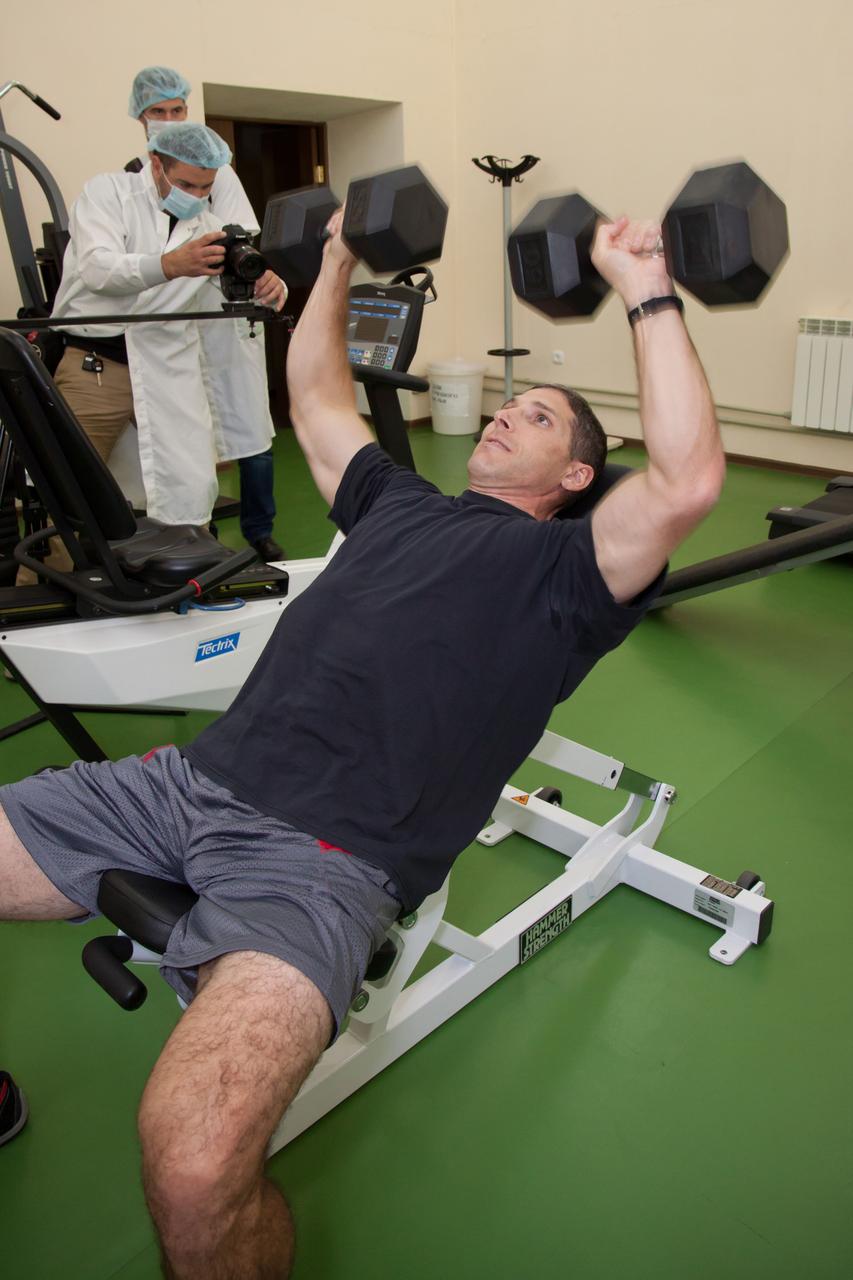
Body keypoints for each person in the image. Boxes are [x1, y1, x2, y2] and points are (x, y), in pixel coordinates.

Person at [0, 210, 725, 1277]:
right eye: (506, 408)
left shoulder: (572, 576)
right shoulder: (397, 500)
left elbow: (687, 482)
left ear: (573, 479)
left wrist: (646, 288)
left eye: (533, 417)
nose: (502, 420)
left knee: (196, 1169)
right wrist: (334, 262)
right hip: (179, 783)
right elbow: (318, 400)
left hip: (322, 860)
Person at [49, 120, 286, 543]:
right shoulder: (109, 194)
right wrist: (168, 265)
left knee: (188, 488)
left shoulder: (208, 226)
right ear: (156, 165)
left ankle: (170, 583)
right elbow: (98, 268)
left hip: (168, 368)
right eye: (187, 185)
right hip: (98, 367)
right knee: (71, 494)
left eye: (205, 188)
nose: (196, 197)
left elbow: (233, 290)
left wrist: (270, 286)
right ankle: (56, 590)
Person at [124, 66, 284, 559]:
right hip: (170, 323)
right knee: (186, 441)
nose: (168, 119)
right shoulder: (131, 182)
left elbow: (240, 234)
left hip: (223, 314)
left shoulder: (219, 170)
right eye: (158, 112)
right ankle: (198, 535)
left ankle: (259, 530)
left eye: (176, 110)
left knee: (250, 426)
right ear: (140, 117)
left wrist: (257, 275)